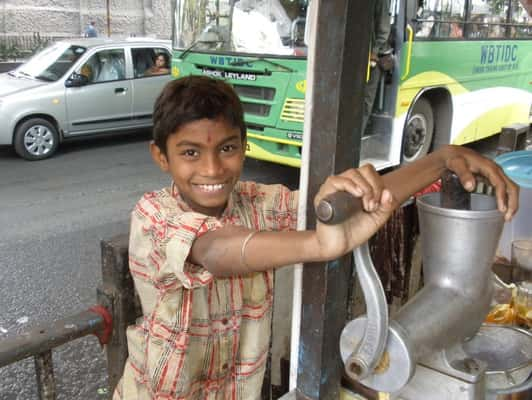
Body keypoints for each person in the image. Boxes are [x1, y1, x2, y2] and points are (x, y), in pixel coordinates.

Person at [112, 76, 518, 400]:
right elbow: (215, 249)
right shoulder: (153, 217)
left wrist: (441, 159)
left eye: (227, 148)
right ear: (160, 156)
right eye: (190, 153)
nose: (213, 168)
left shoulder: (258, 202)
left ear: (244, 146)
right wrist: (321, 245)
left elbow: (362, 201)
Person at [362, 0, 393, 134]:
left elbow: (383, 31)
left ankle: (356, 138)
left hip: (371, 60)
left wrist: (374, 52)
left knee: (364, 103)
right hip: (357, 55)